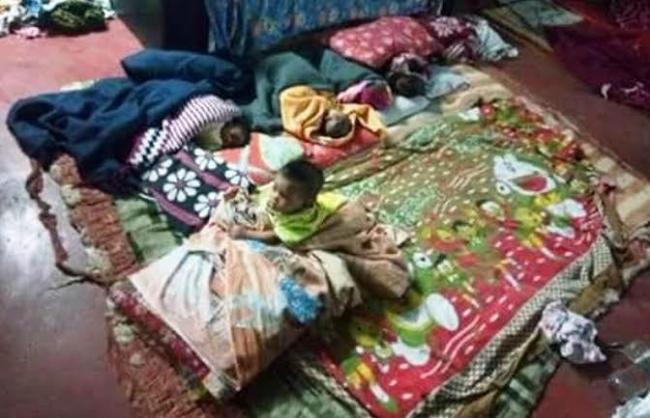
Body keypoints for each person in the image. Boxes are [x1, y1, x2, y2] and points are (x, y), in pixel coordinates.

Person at [228, 159, 346, 246]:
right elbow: (260, 192)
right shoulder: (280, 190)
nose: (275, 196)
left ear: (305, 203)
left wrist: (246, 234)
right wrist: (245, 193)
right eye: (275, 188)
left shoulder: (301, 220)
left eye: (283, 196)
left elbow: (276, 237)